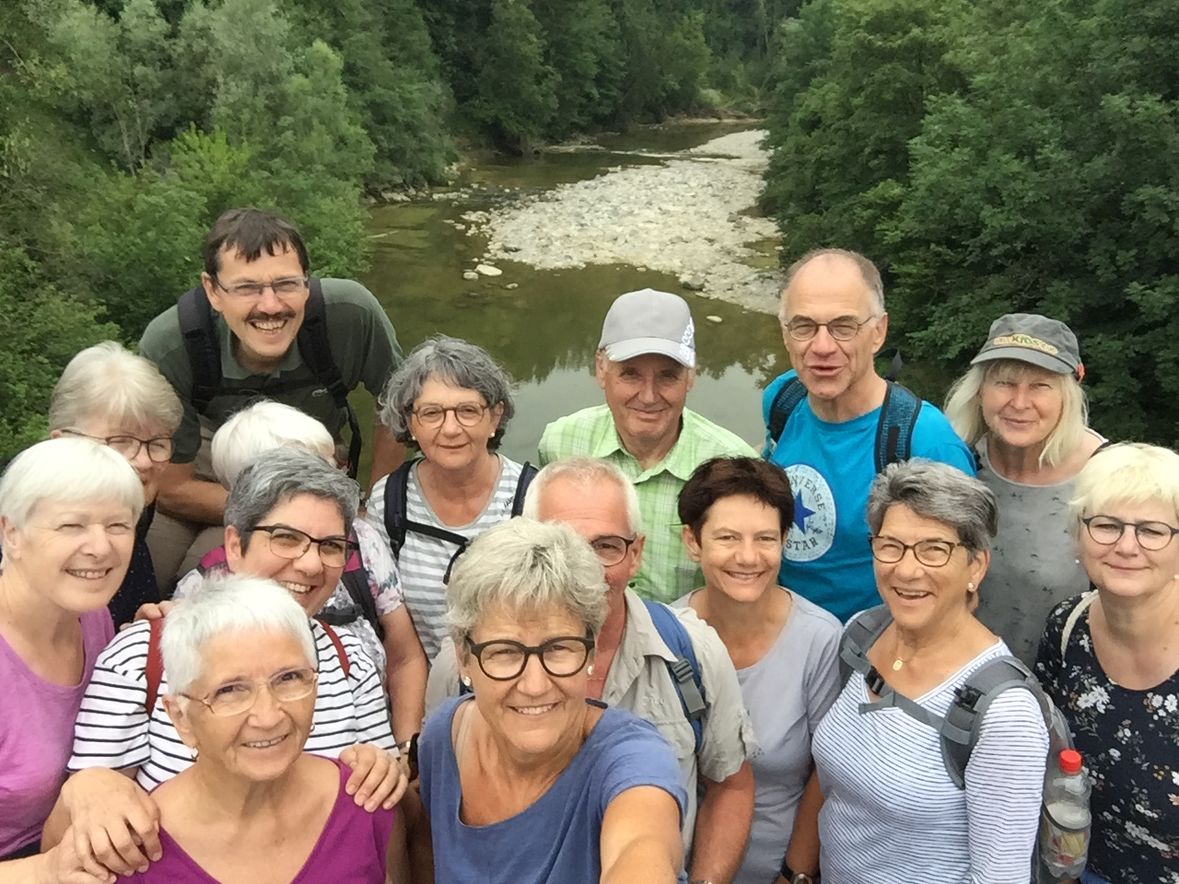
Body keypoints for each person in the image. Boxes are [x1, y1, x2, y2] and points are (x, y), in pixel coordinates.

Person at [49, 448, 403, 876]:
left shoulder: (350, 661)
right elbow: (85, 824)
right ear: (234, 544)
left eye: (330, 546)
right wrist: (88, 785)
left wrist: (383, 766)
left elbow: (382, 808)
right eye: (286, 538)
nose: (311, 564)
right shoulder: (143, 657)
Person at [427, 457, 756, 882]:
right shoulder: (445, 725)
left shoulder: (691, 656)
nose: (584, 567)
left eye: (605, 547)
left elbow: (655, 834)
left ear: (635, 553)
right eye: (504, 653)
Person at [139, 207, 404, 591]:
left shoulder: (350, 315)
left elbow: (397, 405)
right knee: (146, 576)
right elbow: (173, 489)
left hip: (308, 464)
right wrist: (284, 510)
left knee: (218, 581)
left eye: (286, 284)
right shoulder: (171, 343)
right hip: (202, 465)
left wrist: (371, 506)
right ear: (212, 291)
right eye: (246, 288)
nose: (270, 305)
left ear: (307, 282)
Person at [812, 459, 1048, 882]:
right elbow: (832, 785)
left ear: (976, 566)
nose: (906, 570)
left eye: (934, 549)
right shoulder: (861, 634)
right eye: (891, 546)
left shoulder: (1005, 714)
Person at [419, 517, 686, 883]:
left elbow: (642, 845)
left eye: (559, 648)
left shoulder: (632, 758)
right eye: (505, 652)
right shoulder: (443, 738)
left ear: (590, 651)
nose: (534, 684)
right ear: (464, 659)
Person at [118, 575, 415, 883]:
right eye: (230, 690)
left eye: (289, 678)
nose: (269, 716)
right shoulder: (129, 851)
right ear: (181, 717)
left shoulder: (366, 800)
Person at [764, 249, 975, 622]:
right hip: (785, 633)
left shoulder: (925, 441)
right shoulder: (782, 400)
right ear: (785, 334)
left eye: (844, 327)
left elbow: (960, 579)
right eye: (804, 326)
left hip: (872, 643)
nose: (822, 347)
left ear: (878, 332)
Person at [205, 400, 426, 742]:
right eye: (286, 538)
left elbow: (404, 656)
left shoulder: (351, 654)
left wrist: (404, 752)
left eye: (328, 466)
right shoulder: (186, 622)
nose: (310, 563)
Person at [675, 457, 841, 884]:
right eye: (727, 537)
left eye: (765, 538)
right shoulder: (665, 636)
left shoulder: (819, 639)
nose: (748, 557)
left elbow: (826, 775)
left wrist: (795, 874)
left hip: (776, 870)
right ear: (692, 541)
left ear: (785, 539)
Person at [539, 288, 756, 604]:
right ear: (601, 368)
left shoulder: (735, 466)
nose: (649, 396)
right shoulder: (560, 444)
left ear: (691, 375)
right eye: (630, 374)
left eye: (668, 376)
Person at [1035, 442, 1179, 884]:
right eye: (1106, 525)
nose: (1126, 546)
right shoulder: (1067, 627)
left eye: (1153, 530)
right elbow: (1045, 757)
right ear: (1079, 535)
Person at [0, 439, 142, 867]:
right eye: (71, 525)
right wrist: (47, 871)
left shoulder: (93, 617)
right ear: (12, 533)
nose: (100, 547)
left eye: (118, 525)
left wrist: (151, 639)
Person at [944, 313, 1105, 664]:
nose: (1019, 402)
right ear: (980, 389)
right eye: (1005, 383)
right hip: (959, 679)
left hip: (1066, 685)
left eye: (1040, 386)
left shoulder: (1108, 476)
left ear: (1068, 394)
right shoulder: (958, 463)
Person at [364, 336, 532, 662]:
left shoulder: (532, 495)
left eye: (467, 411)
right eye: (432, 413)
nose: (451, 429)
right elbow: (385, 621)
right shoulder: (389, 500)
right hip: (423, 683)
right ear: (410, 422)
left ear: (495, 417)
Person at [46, 341, 183, 627]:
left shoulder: (133, 517)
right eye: (121, 442)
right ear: (62, 443)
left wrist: (136, 630)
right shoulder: (25, 523)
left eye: (157, 443)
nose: (144, 461)